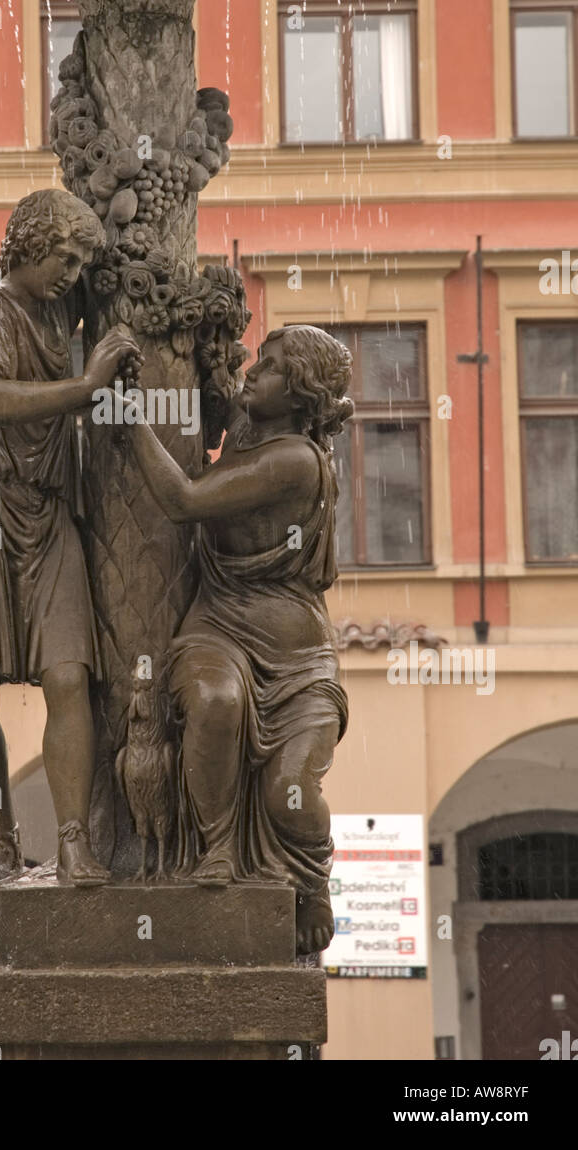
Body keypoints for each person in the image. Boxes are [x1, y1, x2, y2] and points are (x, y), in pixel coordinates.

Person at [0, 189, 141, 886]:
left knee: (69, 673)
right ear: (28, 244)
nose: (72, 271)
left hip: (47, 512)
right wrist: (85, 387)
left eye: (81, 260)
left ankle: (74, 841)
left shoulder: (58, 309)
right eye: (64, 256)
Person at [124, 324, 353, 954]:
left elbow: (184, 497)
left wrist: (129, 415)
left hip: (299, 660)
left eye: (272, 368)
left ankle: (313, 880)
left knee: (291, 796)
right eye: (258, 360)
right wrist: (205, 354)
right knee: (215, 702)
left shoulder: (294, 460)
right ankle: (218, 845)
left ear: (301, 394)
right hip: (219, 626)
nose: (254, 372)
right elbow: (220, 399)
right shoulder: (254, 428)